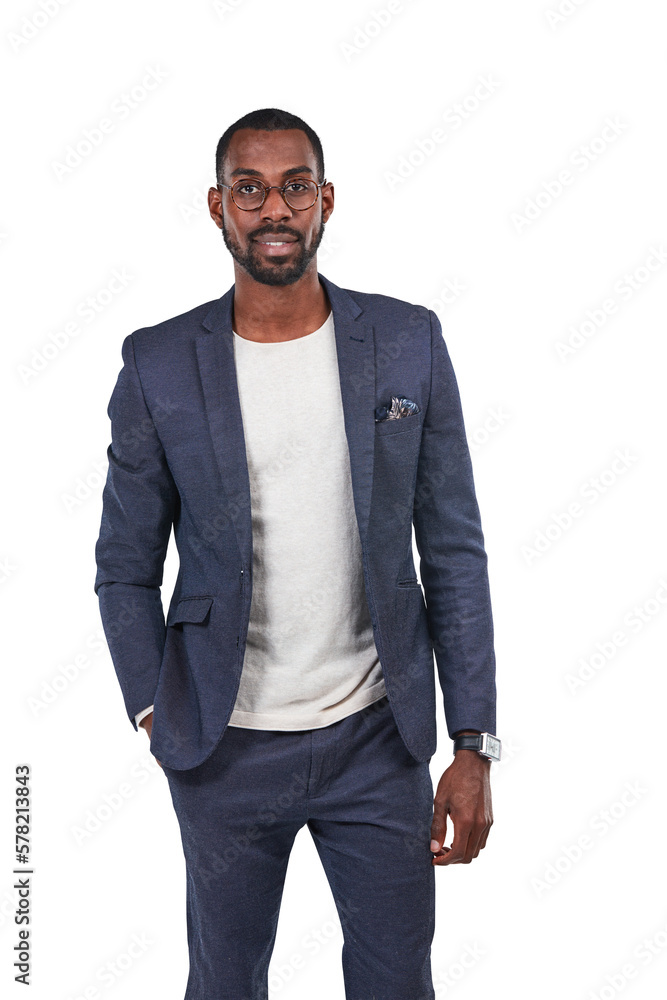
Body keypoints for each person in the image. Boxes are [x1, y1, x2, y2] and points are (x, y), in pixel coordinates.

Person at [94, 107, 500, 1000]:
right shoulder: (159, 364)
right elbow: (123, 565)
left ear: (325, 202)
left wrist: (472, 743)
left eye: (293, 186)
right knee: (225, 983)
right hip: (222, 747)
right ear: (217, 207)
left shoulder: (406, 341)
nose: (272, 208)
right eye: (249, 188)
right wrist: (152, 712)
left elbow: (454, 550)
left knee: (397, 983)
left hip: (376, 739)